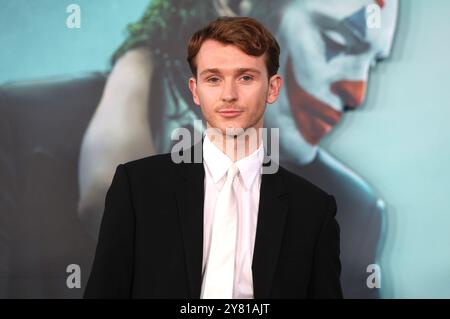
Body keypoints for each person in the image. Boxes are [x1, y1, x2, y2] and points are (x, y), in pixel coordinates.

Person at [79, 0, 398, 298]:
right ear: (195, 88)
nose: (357, 93)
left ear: (272, 87)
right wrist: (136, 65)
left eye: (246, 77)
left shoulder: (332, 209)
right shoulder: (138, 184)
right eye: (337, 43)